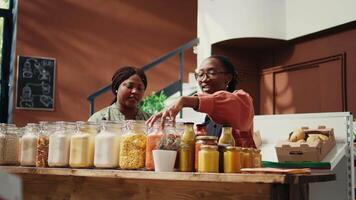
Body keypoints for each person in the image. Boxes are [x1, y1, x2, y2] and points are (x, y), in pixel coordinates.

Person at [146, 55, 255, 148]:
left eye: (211, 73)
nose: (204, 79)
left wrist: (183, 100)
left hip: (240, 170)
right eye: (200, 74)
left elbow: (222, 101)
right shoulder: (208, 116)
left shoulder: (242, 100)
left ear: (228, 77)